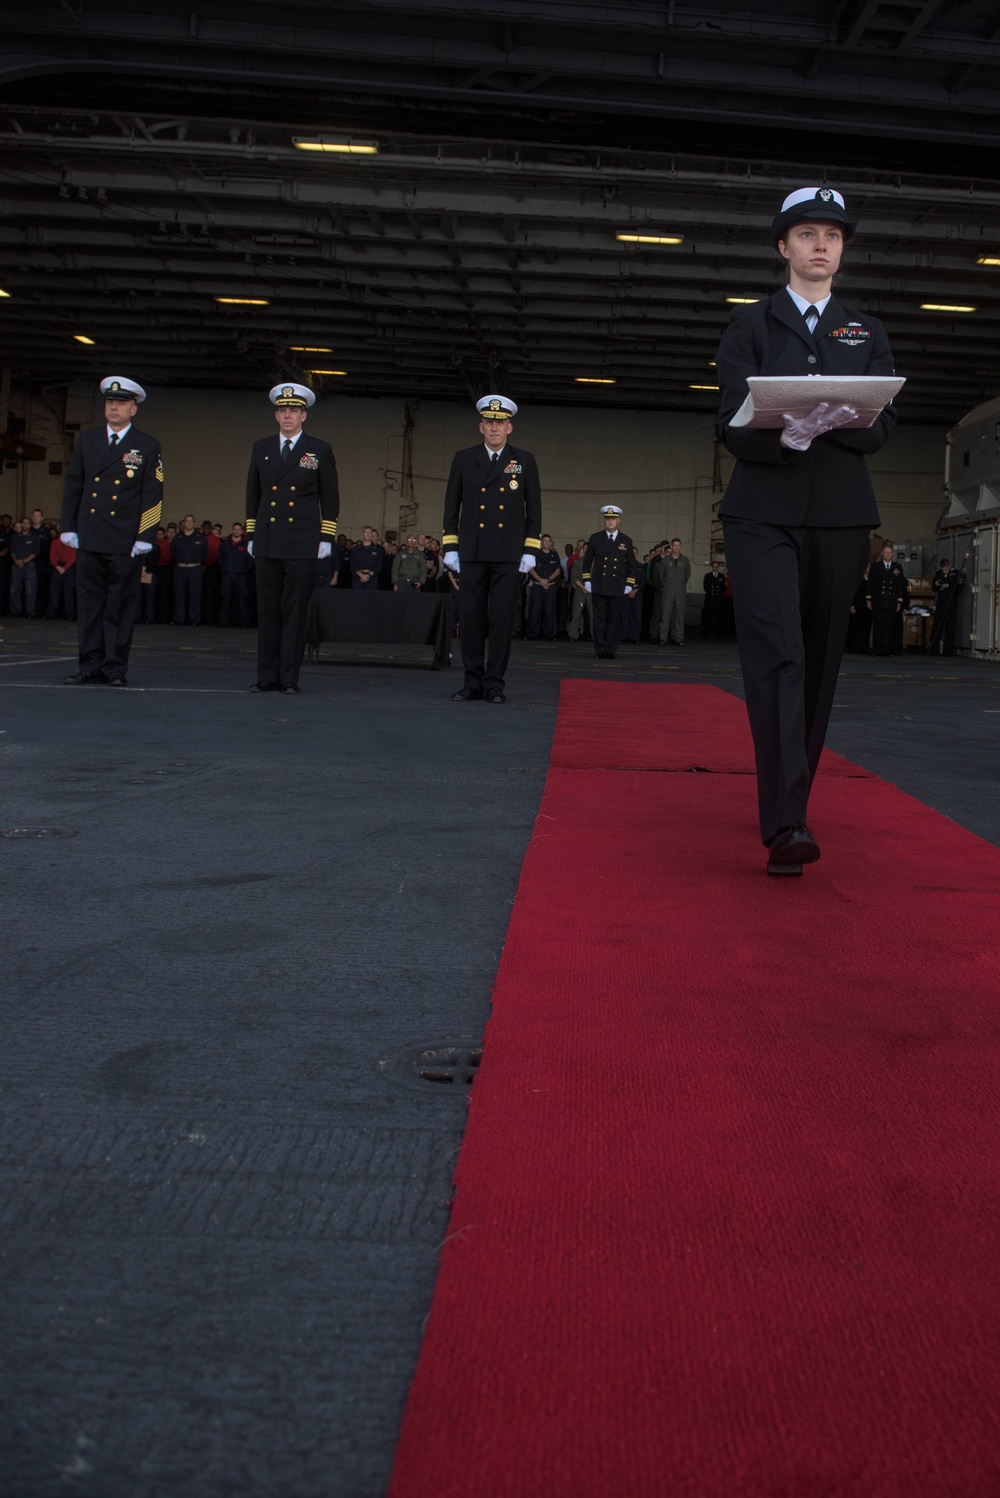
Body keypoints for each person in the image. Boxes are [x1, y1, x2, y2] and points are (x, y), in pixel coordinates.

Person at [716, 185, 896, 875]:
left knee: (819, 666)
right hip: (762, 510)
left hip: (842, 514)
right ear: (783, 246)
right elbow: (731, 418)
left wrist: (834, 420)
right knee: (779, 656)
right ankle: (787, 822)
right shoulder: (750, 326)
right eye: (808, 233)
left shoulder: (866, 331)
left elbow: (882, 424)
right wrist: (790, 431)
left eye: (834, 235)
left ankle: (795, 802)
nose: (822, 245)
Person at [59, 375, 163, 686]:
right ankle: (89, 666)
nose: (113, 406)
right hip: (91, 534)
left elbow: (153, 493)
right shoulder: (87, 440)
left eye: (120, 403)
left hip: (125, 538)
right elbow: (74, 485)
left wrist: (145, 536)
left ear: (134, 409)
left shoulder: (146, 445)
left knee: (120, 604)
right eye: (109, 401)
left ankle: (115, 667)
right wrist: (68, 527)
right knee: (90, 604)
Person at [442, 394, 541, 704]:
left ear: (509, 427)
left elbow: (534, 509)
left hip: (508, 553)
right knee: (470, 618)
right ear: (480, 426)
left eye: (500, 423)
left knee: (501, 619)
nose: (494, 428)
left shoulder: (524, 461)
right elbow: (451, 506)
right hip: (472, 551)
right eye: (489, 422)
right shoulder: (463, 458)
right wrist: (450, 545)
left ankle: (495, 682)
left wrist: (530, 549)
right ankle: (471, 681)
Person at [244, 382, 339, 693]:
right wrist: (251, 533)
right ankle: (266, 676)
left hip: (301, 541)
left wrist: (326, 537)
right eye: (283, 411)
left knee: (294, 612)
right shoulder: (262, 448)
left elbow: (331, 496)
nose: (288, 416)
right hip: (269, 539)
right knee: (268, 610)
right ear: (276, 415)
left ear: (303, 416)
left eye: (294, 411)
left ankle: (288, 678)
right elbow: (253, 494)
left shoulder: (319, 449)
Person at [581, 505, 637, 660]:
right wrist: (587, 580)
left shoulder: (626, 540)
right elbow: (586, 562)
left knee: (613, 620)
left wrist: (629, 584)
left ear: (618, 520)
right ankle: (600, 650)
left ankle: (611, 650)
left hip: (617, 586)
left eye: (613, 519)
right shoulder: (595, 538)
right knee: (599, 621)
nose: (610, 522)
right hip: (599, 585)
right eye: (607, 519)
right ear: (604, 520)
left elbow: (633, 565)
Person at [865, 543, 906, 656]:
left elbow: (899, 586)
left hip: (891, 601)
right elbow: (870, 584)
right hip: (878, 601)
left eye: (890, 552)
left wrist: (899, 601)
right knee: (877, 626)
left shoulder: (897, 568)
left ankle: (886, 650)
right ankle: (876, 649)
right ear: (882, 554)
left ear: (892, 554)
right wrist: (868, 599)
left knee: (888, 627)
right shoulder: (876, 566)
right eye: (886, 552)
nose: (888, 554)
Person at [524, 533, 562, 640]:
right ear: (541, 543)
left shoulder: (555, 555)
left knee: (549, 611)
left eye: (548, 541)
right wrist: (541, 580)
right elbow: (530, 569)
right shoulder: (536, 554)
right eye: (544, 541)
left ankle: (549, 634)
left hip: (550, 587)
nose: (546, 543)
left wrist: (547, 580)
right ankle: (532, 633)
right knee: (534, 611)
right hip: (537, 586)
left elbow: (558, 570)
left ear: (551, 543)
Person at [171, 514, 207, 624]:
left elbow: (205, 553)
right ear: (184, 523)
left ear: (194, 523)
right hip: (180, 568)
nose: (189, 523)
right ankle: (179, 618)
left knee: (195, 594)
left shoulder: (200, 538)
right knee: (179, 593)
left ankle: (194, 618)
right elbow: (173, 553)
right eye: (187, 521)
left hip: (194, 568)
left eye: (191, 521)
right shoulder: (178, 537)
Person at [655, 537, 691, 644]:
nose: (676, 547)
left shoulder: (685, 560)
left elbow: (687, 575)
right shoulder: (665, 561)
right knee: (665, 614)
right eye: (674, 545)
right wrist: (667, 585)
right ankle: (663, 638)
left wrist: (679, 584)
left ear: (680, 546)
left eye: (678, 545)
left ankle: (679, 638)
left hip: (680, 590)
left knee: (680, 615)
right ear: (671, 546)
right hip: (668, 590)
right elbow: (661, 576)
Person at [218, 522, 254, 626]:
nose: (237, 531)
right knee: (225, 599)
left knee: (242, 600)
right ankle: (223, 621)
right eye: (235, 529)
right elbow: (220, 558)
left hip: (241, 576)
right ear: (232, 530)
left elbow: (251, 560)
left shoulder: (247, 544)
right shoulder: (225, 544)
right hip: (227, 575)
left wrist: (244, 570)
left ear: (242, 531)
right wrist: (225, 567)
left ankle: (244, 622)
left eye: (239, 529)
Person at [931, 555, 966, 655]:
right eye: (943, 569)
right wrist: (937, 584)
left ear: (949, 566)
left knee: (950, 627)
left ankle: (948, 649)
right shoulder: (939, 574)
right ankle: (934, 648)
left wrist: (948, 585)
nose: (944, 571)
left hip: (951, 604)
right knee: (937, 626)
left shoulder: (955, 573)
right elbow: (934, 588)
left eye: (946, 569)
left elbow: (959, 587)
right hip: (941, 603)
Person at [10, 519, 42, 617]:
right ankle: (15, 611)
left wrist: (24, 561)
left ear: (30, 525)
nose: (25, 525)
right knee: (14, 589)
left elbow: (36, 552)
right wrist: (16, 560)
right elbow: (12, 551)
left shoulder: (34, 537)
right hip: (16, 565)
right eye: (23, 523)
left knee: (30, 590)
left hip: (29, 565)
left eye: (27, 523)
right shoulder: (15, 537)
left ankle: (30, 612)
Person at [45, 530, 77, 620]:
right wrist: (57, 566)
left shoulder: (72, 542)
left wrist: (65, 568)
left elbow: (73, 556)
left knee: (69, 592)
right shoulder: (55, 542)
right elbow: (52, 555)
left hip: (68, 567)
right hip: (57, 567)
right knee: (54, 591)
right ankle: (52, 613)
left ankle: (69, 613)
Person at [350, 525, 384, 589]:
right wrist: (361, 575)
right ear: (363, 534)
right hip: (358, 578)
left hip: (371, 579)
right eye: (366, 532)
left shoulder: (378, 549)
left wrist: (367, 576)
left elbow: (378, 565)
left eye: (370, 533)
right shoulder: (356, 549)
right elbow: (353, 564)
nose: (368, 534)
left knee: (370, 598)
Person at [702, 560, 727, 639]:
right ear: (712, 567)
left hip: (718, 600)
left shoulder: (722, 576)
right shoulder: (708, 576)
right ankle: (705, 633)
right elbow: (706, 587)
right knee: (708, 617)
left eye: (717, 566)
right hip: (710, 599)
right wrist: (711, 594)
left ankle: (718, 634)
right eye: (714, 566)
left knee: (718, 617)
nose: (715, 568)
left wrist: (719, 594)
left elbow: (724, 588)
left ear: (718, 567)